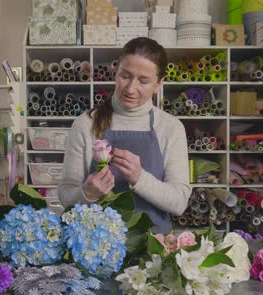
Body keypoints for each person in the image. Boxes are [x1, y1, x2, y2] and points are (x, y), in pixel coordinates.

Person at [58, 37, 191, 233]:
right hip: (95, 249)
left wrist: (139, 177)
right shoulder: (86, 124)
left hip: (153, 252)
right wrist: (87, 193)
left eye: (143, 81)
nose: (130, 89)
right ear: (116, 71)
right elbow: (65, 195)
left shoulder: (171, 128)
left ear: (158, 84)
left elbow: (179, 203)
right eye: (125, 76)